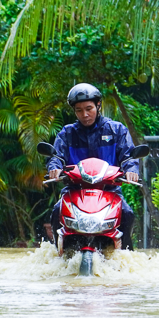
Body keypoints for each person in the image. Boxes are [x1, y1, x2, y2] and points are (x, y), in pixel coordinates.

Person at [47, 83, 140, 249]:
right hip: (74, 190)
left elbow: (128, 157)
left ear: (98, 105)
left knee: (127, 213)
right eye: (79, 110)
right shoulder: (67, 133)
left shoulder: (116, 130)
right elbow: (57, 157)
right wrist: (54, 167)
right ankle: (57, 254)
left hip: (109, 190)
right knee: (56, 212)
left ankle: (127, 258)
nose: (85, 114)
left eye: (89, 108)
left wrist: (131, 170)